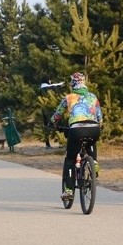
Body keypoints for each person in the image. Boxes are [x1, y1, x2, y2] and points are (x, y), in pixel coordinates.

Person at [49, 72, 102, 200]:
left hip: (76, 130)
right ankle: (93, 163)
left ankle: (68, 191)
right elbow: (100, 117)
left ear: (72, 84)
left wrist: (52, 124)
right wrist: (98, 125)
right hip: (94, 129)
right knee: (91, 141)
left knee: (70, 159)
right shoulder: (93, 97)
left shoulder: (69, 98)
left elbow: (58, 114)